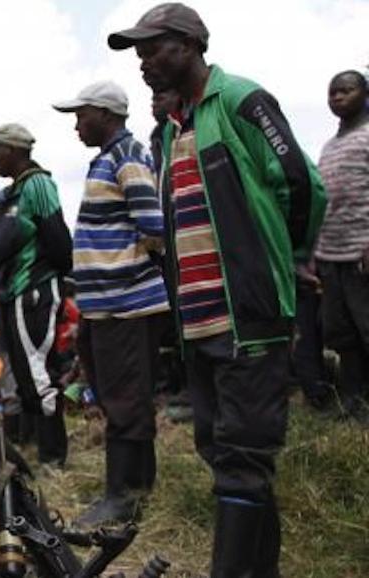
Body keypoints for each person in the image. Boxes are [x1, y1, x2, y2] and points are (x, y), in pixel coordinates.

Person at [108, 4, 326, 575]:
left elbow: (302, 185)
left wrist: (288, 258)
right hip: (198, 325)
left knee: (242, 457)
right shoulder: (170, 130)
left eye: (152, 50)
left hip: (247, 318)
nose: (144, 63)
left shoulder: (239, 102)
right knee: (223, 452)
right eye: (139, 54)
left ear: (189, 44)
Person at [52, 80, 168, 527]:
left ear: (106, 114)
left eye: (82, 116)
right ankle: (139, 484)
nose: (77, 125)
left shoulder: (127, 156)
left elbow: (153, 225)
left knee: (125, 398)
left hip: (126, 302)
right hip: (105, 305)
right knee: (120, 393)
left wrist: (129, 273)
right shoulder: (104, 160)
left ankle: (122, 496)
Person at [0, 123, 73, 467]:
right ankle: (36, 450)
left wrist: (50, 276)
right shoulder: (14, 193)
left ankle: (54, 458)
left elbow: (58, 240)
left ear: (12, 150)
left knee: (40, 373)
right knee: (26, 377)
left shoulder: (38, 185)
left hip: (34, 291)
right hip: (14, 295)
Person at [315, 70, 369, 422]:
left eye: (345, 91)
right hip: (330, 254)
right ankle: (353, 402)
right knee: (343, 336)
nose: (337, 97)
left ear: (364, 95)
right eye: (332, 92)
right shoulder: (329, 146)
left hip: (360, 252)